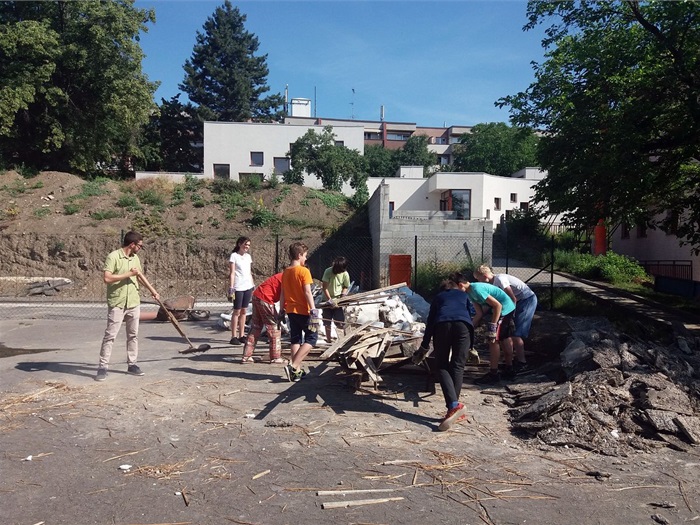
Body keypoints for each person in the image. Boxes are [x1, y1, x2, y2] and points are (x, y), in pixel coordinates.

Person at [96, 231, 158, 381]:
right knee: (110, 335)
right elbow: (107, 278)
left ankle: (132, 364)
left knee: (133, 335)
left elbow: (139, 276)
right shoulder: (113, 256)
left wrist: (153, 291)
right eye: (140, 246)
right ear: (132, 244)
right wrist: (127, 275)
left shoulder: (135, 258)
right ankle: (103, 367)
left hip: (133, 302)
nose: (140, 249)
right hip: (117, 302)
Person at [419, 277, 474, 431]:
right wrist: (472, 345)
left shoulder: (439, 298)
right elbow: (472, 314)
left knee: (441, 365)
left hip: (442, 325)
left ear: (443, 289)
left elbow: (430, 322)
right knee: (458, 366)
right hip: (463, 327)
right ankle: (454, 407)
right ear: (457, 287)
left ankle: (453, 405)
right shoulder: (464, 295)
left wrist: (424, 345)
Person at [452, 272, 516, 385]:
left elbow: (498, 305)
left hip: (505, 309)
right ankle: (509, 369)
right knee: (503, 338)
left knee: (493, 340)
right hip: (501, 310)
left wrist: (493, 325)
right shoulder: (470, 292)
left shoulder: (476, 290)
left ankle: (494, 374)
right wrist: (469, 327)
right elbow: (479, 313)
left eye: (454, 288)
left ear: (461, 285)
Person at [473, 265, 538, 373]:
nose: (478, 281)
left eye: (478, 278)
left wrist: (510, 316)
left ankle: (522, 362)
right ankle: (511, 361)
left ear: (484, 276)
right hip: (517, 302)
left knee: (516, 333)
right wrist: (478, 316)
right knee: (509, 333)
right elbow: (491, 304)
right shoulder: (491, 284)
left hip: (526, 300)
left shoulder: (500, 279)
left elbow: (513, 298)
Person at [281, 242, 318, 382]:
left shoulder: (285, 272)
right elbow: (307, 292)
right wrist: (313, 309)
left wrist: (280, 309)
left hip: (290, 310)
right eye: (305, 256)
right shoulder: (304, 271)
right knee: (312, 338)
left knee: (295, 338)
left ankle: (296, 372)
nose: (306, 259)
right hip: (304, 310)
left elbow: (283, 293)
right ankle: (293, 365)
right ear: (299, 255)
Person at [240, 272, 286, 364]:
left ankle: (246, 356)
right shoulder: (290, 277)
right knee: (274, 328)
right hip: (266, 299)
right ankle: (275, 357)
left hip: (257, 295)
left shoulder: (284, 275)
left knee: (256, 327)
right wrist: (284, 309)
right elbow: (285, 295)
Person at [228, 236, 254, 346]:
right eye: (245, 244)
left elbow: (249, 272)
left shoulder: (248, 257)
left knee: (244, 311)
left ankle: (242, 335)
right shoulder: (234, 256)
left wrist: (253, 285)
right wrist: (231, 287)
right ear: (239, 244)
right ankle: (234, 336)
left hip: (247, 286)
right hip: (238, 287)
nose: (246, 247)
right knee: (237, 311)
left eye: (248, 245)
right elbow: (232, 273)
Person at [321, 256, 350, 343]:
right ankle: (329, 340)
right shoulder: (328, 271)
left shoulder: (345, 273)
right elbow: (324, 288)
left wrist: (343, 295)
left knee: (340, 321)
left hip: (338, 300)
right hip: (326, 299)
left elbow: (346, 286)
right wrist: (329, 300)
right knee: (327, 321)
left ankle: (342, 340)